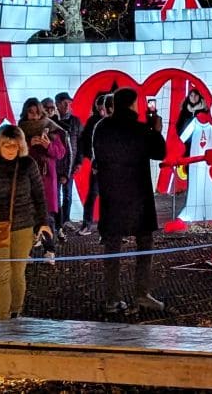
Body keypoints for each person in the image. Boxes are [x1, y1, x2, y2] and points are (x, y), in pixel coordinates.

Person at [91, 87, 167, 314]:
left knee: (112, 246)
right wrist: (156, 130)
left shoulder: (102, 127)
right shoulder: (140, 129)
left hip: (112, 195)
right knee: (144, 244)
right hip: (138, 195)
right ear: (131, 105)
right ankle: (141, 294)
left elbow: (98, 155)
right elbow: (159, 152)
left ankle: (112, 299)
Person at [0, 125, 52, 320]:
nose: (10, 149)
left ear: (20, 146)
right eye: (6, 145)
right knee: (2, 274)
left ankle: (16, 313)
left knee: (17, 273)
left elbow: (39, 195)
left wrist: (43, 222)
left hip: (23, 225)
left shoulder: (28, 165)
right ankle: (3, 318)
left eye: (14, 145)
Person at [18, 97, 65, 258]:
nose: (34, 116)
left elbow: (60, 153)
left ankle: (49, 249)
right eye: (31, 113)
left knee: (47, 216)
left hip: (46, 177)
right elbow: (14, 152)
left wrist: (48, 146)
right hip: (26, 178)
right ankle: (28, 251)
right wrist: (29, 144)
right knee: (27, 215)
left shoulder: (51, 128)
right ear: (25, 113)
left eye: (37, 112)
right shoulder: (19, 131)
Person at [76, 95, 113, 236]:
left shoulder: (113, 123)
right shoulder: (95, 123)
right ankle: (87, 224)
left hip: (111, 166)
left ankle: (112, 228)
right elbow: (90, 143)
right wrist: (93, 160)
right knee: (93, 194)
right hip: (99, 165)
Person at [54, 92, 83, 236]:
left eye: (69, 103)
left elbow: (81, 143)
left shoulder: (76, 122)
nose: (67, 106)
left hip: (70, 164)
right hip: (55, 165)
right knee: (55, 194)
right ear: (57, 104)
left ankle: (66, 219)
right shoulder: (52, 121)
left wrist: (79, 161)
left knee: (68, 194)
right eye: (64, 103)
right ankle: (57, 222)